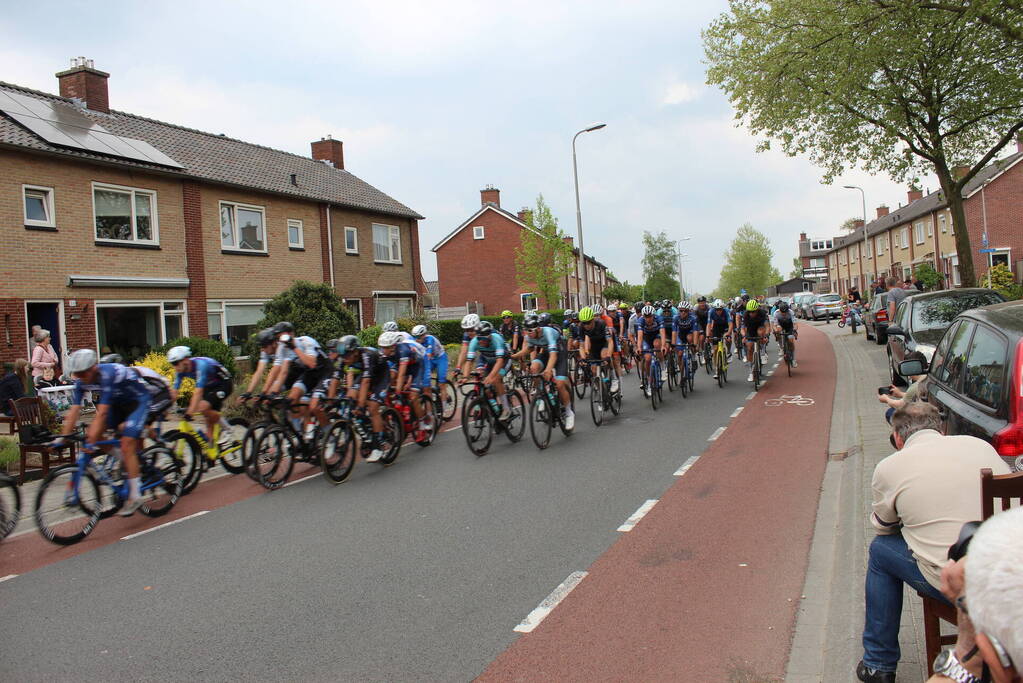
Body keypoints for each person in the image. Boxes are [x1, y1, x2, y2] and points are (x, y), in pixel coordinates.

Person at [856, 402, 1011, 683]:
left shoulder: (889, 466)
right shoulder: (980, 446)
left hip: (956, 580)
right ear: (942, 429)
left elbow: (883, 525)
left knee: (880, 551)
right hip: (1010, 572)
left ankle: (878, 663)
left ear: (898, 438)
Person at [54, 350, 153, 516]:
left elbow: (102, 414)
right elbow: (74, 411)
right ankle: (127, 460)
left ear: (93, 368)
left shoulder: (107, 374)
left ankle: (135, 496)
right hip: (117, 404)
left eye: (83, 372)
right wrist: (62, 438)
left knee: (127, 442)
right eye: (76, 373)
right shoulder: (81, 381)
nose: (80, 376)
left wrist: (90, 440)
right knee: (99, 437)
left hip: (138, 401)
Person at [513, 314, 574, 430]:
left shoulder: (548, 333)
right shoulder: (530, 335)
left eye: (530, 331)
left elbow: (554, 355)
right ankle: (540, 394)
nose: (528, 333)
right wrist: (514, 356)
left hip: (559, 353)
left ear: (538, 329)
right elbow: (529, 349)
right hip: (546, 354)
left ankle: (569, 412)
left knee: (560, 385)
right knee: (534, 368)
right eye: (526, 330)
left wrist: (548, 369)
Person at [167, 346, 234, 450]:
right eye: (172, 364)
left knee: (203, 407)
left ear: (185, 360)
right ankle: (212, 451)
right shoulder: (180, 371)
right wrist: (165, 409)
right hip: (209, 386)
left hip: (223, 383)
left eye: (176, 363)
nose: (175, 367)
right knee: (207, 416)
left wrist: (190, 413)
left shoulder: (201, 365)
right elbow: (174, 392)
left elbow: (198, 392)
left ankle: (228, 429)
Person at [338, 335, 392, 462]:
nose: (344, 359)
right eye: (343, 356)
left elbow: (366, 382)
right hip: (367, 375)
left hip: (382, 376)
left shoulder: (367, 355)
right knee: (351, 397)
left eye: (347, 356)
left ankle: (378, 446)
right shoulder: (346, 358)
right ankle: (367, 424)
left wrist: (361, 404)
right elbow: (344, 378)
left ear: (355, 352)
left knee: (373, 407)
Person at [460, 320, 510, 419]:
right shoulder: (475, 341)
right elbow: (469, 361)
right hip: (488, 360)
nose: (481, 341)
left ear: (489, 336)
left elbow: (500, 361)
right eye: (479, 339)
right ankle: (493, 406)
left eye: (484, 339)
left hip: (504, 360)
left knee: (496, 380)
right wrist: (465, 377)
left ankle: (506, 409)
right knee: (484, 384)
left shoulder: (497, 339)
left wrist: (491, 376)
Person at [877, 350, 927, 423]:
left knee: (890, 412)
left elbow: (899, 405)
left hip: (920, 419)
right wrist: (900, 394)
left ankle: (904, 433)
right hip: (927, 414)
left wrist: (886, 399)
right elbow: (914, 396)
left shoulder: (916, 386)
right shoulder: (927, 378)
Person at [771, 301, 799, 367]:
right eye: (782, 312)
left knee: (791, 340)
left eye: (785, 312)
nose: (784, 314)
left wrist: (794, 330)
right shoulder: (776, 313)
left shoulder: (791, 312)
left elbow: (795, 324)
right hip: (780, 325)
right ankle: (781, 347)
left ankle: (793, 359)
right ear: (779, 310)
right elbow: (774, 325)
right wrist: (775, 331)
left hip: (789, 326)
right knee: (777, 330)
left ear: (788, 310)